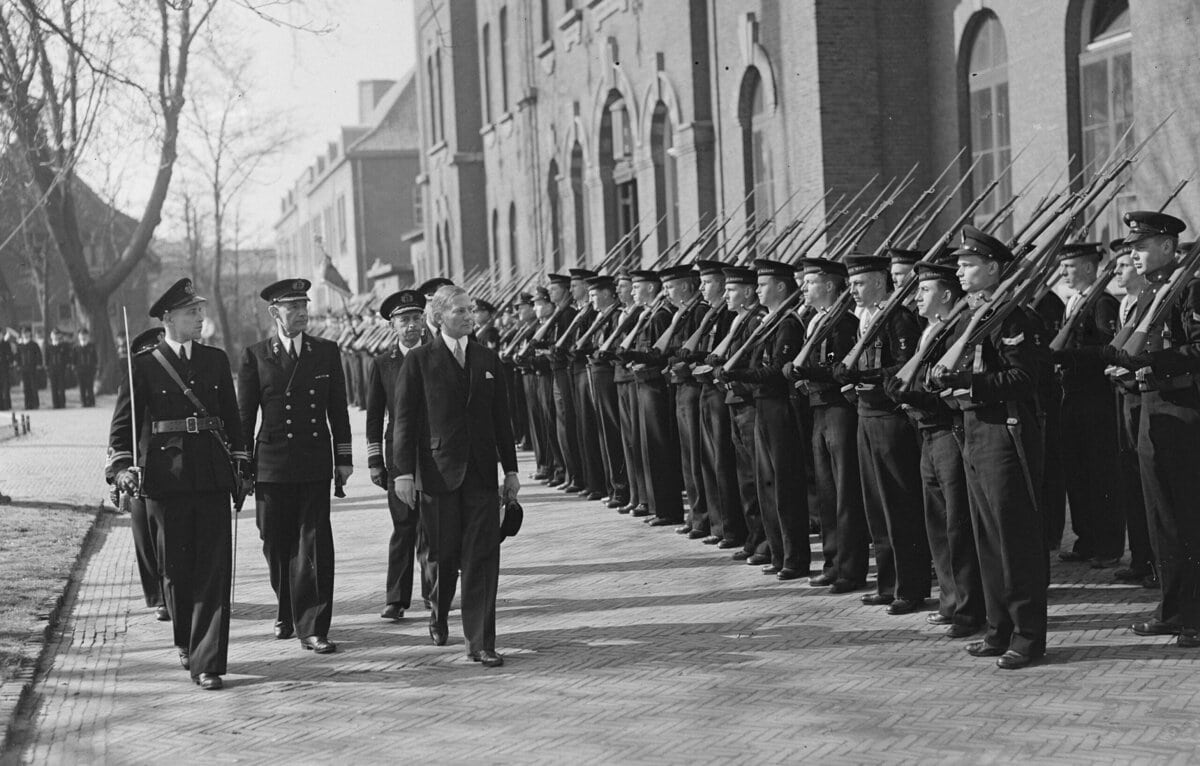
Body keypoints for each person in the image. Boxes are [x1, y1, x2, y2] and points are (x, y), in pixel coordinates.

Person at [105, 278, 247, 690]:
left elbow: (232, 419)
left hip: (212, 476)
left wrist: (241, 465)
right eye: (191, 313)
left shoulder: (216, 360)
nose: (200, 318)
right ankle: (186, 640)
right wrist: (122, 468)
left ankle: (208, 662)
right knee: (176, 570)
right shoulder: (144, 366)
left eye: (200, 311)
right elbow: (122, 430)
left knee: (214, 570)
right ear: (168, 318)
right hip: (166, 482)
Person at [932, 225, 1047, 669]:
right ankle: (999, 629)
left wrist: (969, 383)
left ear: (994, 268)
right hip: (974, 430)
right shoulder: (970, 316)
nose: (959, 272)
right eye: (959, 264)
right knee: (987, 540)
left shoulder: (1014, 317)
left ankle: (1028, 636)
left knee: (1013, 538)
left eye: (968, 264)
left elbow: (1024, 378)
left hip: (1005, 432)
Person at [393, 285, 520, 668]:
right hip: (438, 475)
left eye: (471, 310)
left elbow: (502, 420)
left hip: (481, 475)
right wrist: (402, 473)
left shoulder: (487, 358)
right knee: (444, 557)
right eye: (462, 311)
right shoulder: (418, 360)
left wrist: (511, 470)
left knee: (481, 558)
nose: (470, 316)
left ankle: (480, 642)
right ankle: (438, 610)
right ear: (441, 316)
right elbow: (404, 420)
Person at [1093, 211, 1200, 647]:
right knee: (1162, 519)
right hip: (1150, 409)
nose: (1133, 254)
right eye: (1132, 247)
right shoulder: (1149, 292)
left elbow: (1195, 348)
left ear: (1167, 247)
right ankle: (1173, 609)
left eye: (1141, 246)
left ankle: (1193, 616)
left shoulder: (1189, 287)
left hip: (1181, 411)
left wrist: (1152, 363)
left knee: (1187, 516)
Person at [237, 278, 353, 654]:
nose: (301, 313)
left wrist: (344, 459)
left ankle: (313, 626)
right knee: (275, 543)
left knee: (314, 545)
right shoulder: (255, 355)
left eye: (304, 305)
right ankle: (286, 609)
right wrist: (242, 466)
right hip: (270, 464)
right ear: (275, 313)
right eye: (292, 308)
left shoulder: (326, 351)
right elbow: (244, 416)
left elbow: (337, 409)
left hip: (313, 461)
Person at [837, 254, 931, 614]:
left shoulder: (898, 318)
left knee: (900, 504)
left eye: (859, 283)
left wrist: (869, 378)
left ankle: (910, 586)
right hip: (865, 415)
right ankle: (888, 582)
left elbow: (905, 364)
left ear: (879, 282)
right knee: (876, 505)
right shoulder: (865, 317)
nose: (853, 290)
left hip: (889, 419)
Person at [719, 259, 810, 581]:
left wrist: (739, 374)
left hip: (780, 408)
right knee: (766, 483)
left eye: (763, 284)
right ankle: (776, 550)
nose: (757, 290)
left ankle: (794, 557)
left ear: (781, 287)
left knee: (785, 486)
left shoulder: (787, 323)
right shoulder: (770, 321)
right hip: (762, 406)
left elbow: (776, 372)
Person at [786, 257, 870, 593]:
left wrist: (807, 373)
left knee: (845, 492)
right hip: (818, 409)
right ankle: (833, 562)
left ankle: (851, 569)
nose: (804, 288)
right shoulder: (815, 321)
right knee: (826, 492)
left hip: (838, 410)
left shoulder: (844, 323)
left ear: (831, 286)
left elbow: (840, 370)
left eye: (811, 282)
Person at [1051, 243, 1122, 567]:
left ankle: (1106, 546)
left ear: (1091, 268)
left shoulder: (1103, 303)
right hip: (1073, 397)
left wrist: (1066, 358)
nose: (1064, 272)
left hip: (1095, 399)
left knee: (1099, 473)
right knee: (1077, 472)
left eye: (1070, 266)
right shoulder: (1074, 302)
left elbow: (1109, 350)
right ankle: (1086, 539)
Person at [366, 289, 432, 621]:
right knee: (404, 525)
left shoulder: (438, 355)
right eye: (404, 320)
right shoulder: (383, 364)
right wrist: (375, 461)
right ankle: (396, 598)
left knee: (433, 526)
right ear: (393, 325)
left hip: (436, 453)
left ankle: (434, 594)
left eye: (416, 318)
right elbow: (374, 416)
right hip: (399, 457)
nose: (411, 326)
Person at [122, 326, 169, 622]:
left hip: (170, 466)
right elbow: (120, 429)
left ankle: (174, 593)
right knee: (144, 535)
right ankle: (158, 597)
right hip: (141, 464)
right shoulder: (134, 380)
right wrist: (118, 469)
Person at [16, 326, 43, 410]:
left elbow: (39, 355)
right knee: (26, 388)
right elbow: (17, 357)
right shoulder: (20, 346)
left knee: (33, 387)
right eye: (24, 333)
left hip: (32, 369)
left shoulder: (34, 345)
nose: (25, 334)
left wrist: (39, 364)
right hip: (24, 369)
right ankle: (27, 404)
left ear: (30, 333)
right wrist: (18, 365)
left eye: (27, 332)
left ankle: (35, 404)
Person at [46, 329, 71, 408]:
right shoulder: (49, 347)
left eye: (57, 335)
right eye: (54, 335)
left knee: (61, 387)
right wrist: (47, 368)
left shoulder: (64, 346)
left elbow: (67, 358)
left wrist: (67, 367)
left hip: (61, 369)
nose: (55, 336)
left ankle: (62, 403)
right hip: (52, 370)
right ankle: (55, 404)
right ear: (51, 336)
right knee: (54, 387)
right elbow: (47, 359)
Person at [74, 328, 98, 407]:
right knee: (82, 387)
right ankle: (83, 402)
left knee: (90, 387)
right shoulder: (76, 348)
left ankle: (91, 401)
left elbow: (95, 358)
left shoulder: (91, 346)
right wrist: (75, 369)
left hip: (89, 370)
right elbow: (74, 360)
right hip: (80, 371)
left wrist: (95, 368)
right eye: (81, 335)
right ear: (79, 336)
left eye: (85, 335)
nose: (83, 337)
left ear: (87, 336)